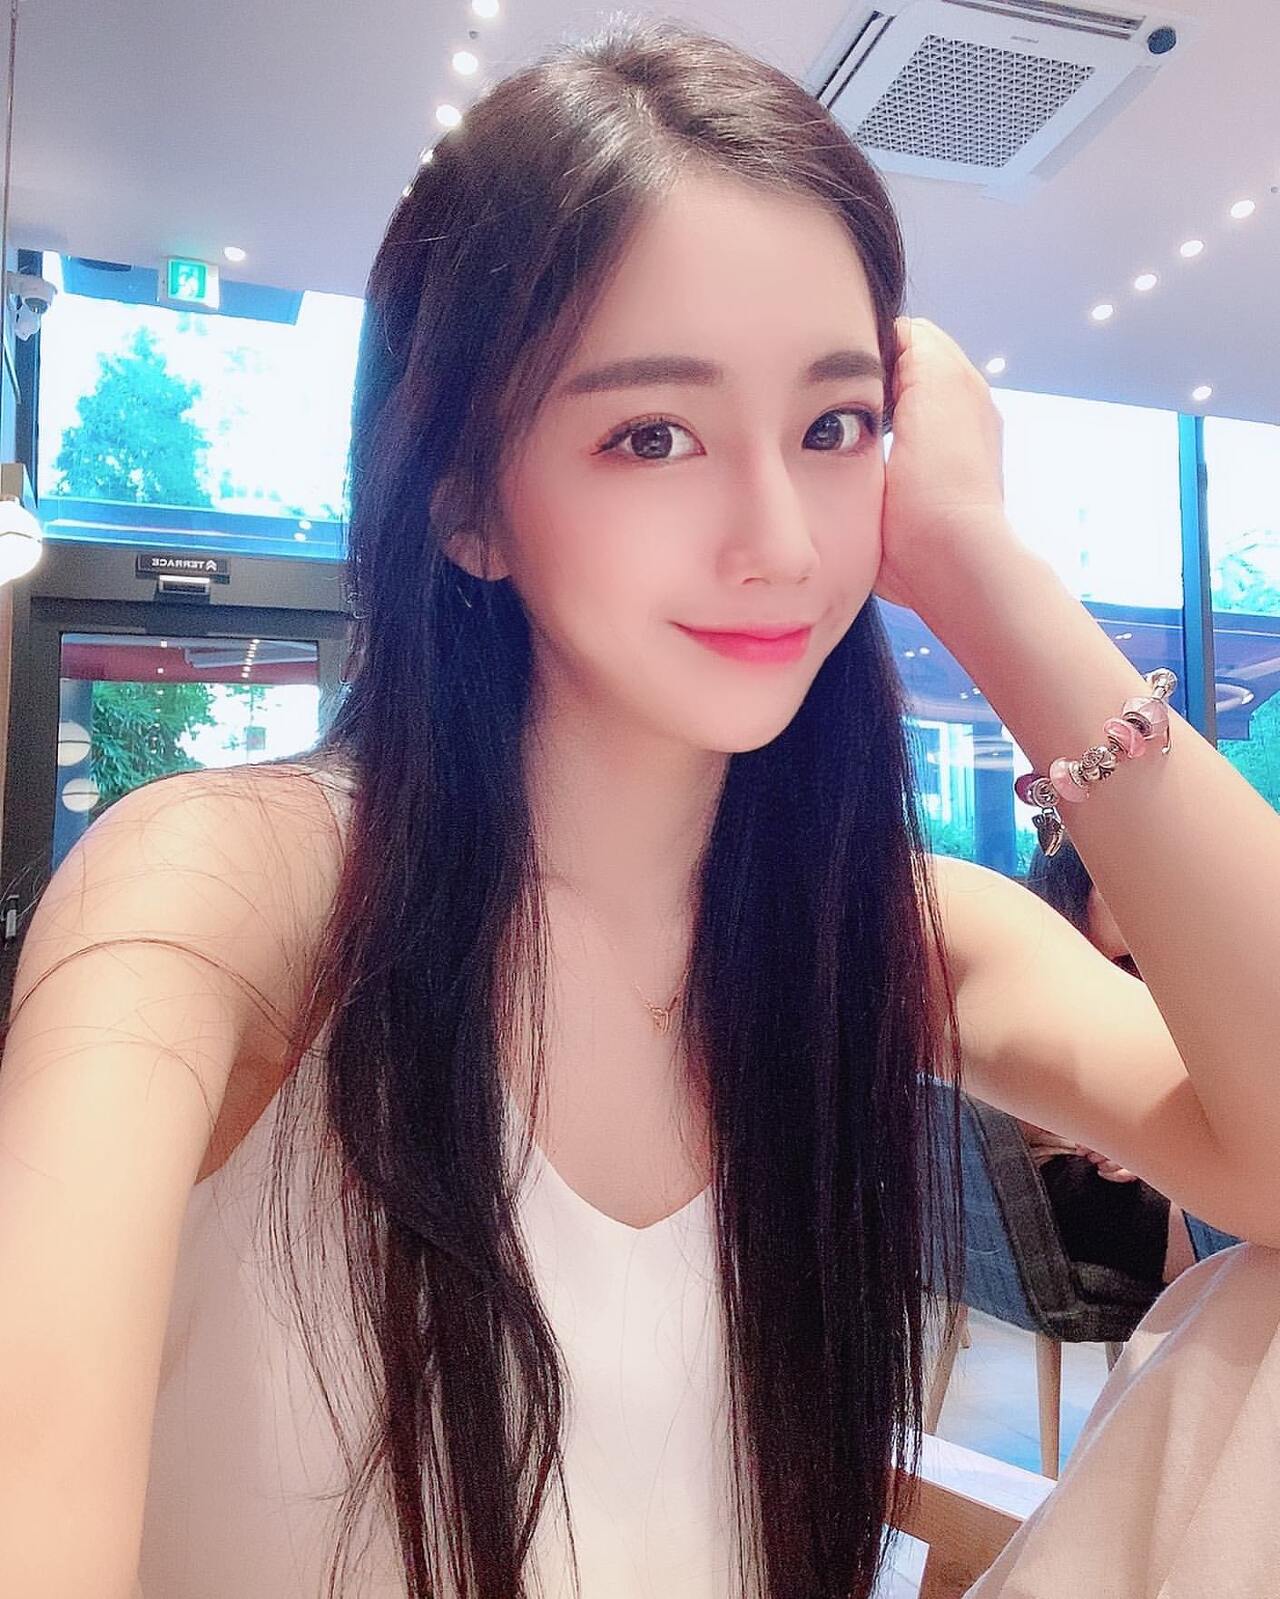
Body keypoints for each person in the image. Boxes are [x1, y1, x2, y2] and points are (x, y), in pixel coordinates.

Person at [2, 18, 1280, 1599]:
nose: (780, 539)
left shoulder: (884, 928)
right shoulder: (243, 889)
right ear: (466, 504)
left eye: (832, 427)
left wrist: (975, 560)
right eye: (651, 435)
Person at [1018, 837, 1197, 1288]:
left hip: (1154, 1166)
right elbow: (1000, 1112)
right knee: (1242, 1229)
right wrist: (1108, 1135)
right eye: (1121, 883)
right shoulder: (1034, 982)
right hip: (1066, 1190)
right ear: (1072, 889)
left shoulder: (1145, 975)